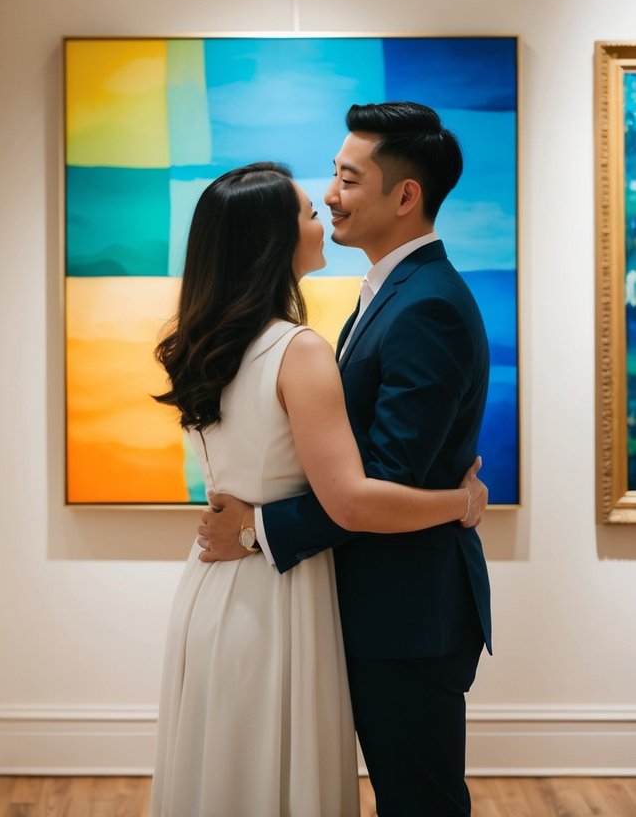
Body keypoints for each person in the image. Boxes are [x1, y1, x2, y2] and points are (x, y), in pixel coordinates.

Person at [151, 160, 487, 817]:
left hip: (210, 587)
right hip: (275, 597)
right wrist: (462, 502)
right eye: (309, 211)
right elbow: (352, 501)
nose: (325, 213)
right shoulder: (296, 348)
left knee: (223, 780)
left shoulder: (203, 344)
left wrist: (247, 524)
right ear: (274, 242)